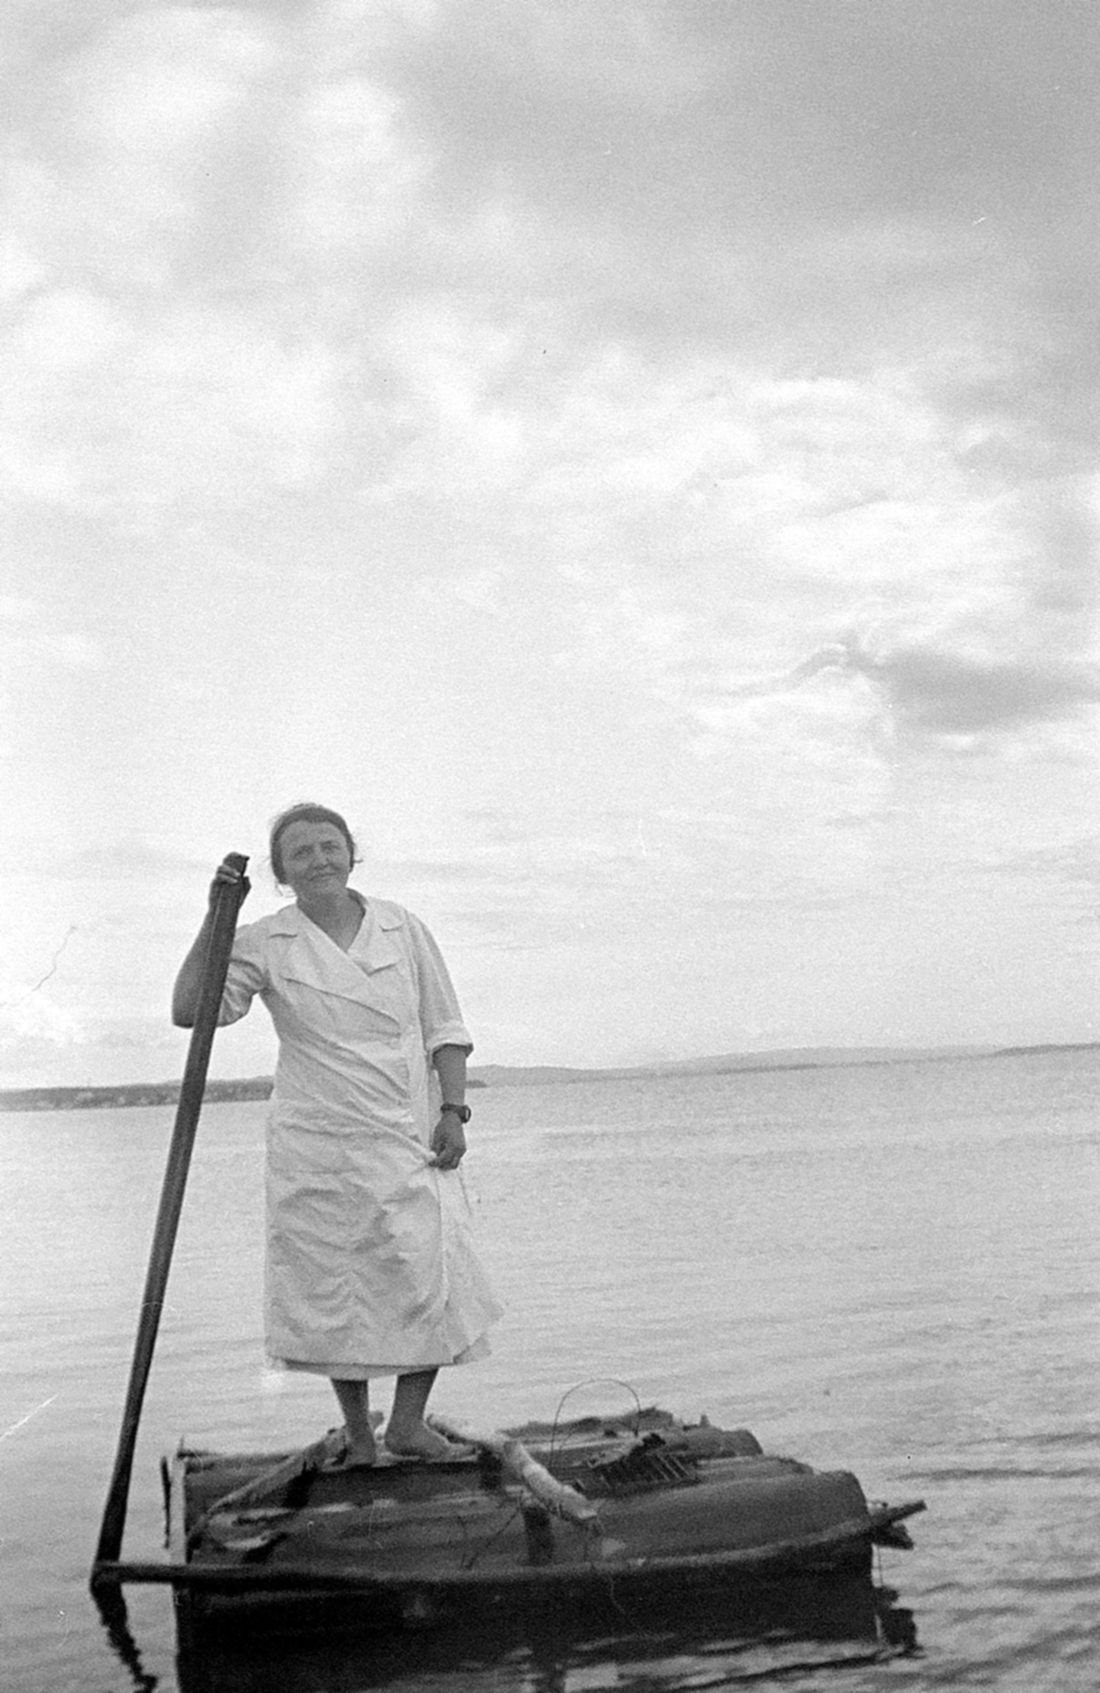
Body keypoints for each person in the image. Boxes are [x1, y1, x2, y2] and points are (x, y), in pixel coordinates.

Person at [172, 802, 501, 1465]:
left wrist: (453, 1110)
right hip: (316, 1140)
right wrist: (217, 915)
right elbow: (190, 1010)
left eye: (330, 844)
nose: (319, 857)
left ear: (352, 852)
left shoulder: (400, 926)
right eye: (302, 851)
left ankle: (407, 1425)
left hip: (406, 1130)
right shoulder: (267, 939)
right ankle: (358, 1438)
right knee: (336, 1286)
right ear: (282, 872)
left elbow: (446, 1026)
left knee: (430, 1269)